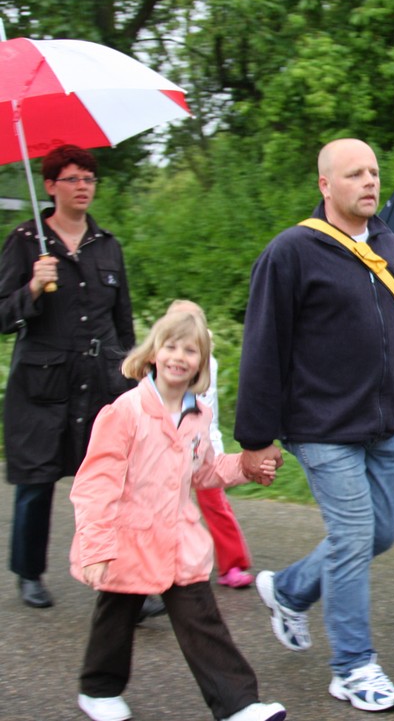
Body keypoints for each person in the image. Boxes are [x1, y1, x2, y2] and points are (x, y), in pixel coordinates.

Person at [235, 138, 394, 713]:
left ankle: (289, 591)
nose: (369, 182)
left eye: (374, 172)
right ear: (325, 184)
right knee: (356, 536)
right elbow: (263, 347)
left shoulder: (391, 248)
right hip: (319, 428)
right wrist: (255, 439)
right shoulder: (292, 252)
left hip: (381, 427)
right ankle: (353, 667)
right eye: (355, 173)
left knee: (378, 534)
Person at [70, 307, 285, 721]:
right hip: (126, 539)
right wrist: (96, 548)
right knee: (116, 615)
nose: (179, 357)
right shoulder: (125, 411)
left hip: (177, 540)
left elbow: (203, 472)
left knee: (201, 619)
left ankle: (240, 705)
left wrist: (246, 466)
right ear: (154, 352)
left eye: (190, 350)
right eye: (171, 347)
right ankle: (98, 690)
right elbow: (96, 484)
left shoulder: (199, 416)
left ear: (202, 362)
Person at [0, 144, 135, 609]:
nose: (83, 187)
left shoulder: (108, 245)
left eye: (89, 179)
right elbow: (3, 315)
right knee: (36, 482)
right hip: (42, 383)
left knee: (106, 483)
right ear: (50, 185)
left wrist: (132, 379)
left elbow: (122, 321)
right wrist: (33, 287)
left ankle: (121, 576)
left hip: (100, 380)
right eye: (73, 178)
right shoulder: (25, 241)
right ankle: (29, 573)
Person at [170, 299, 255, 589]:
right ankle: (167, 563)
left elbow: (205, 410)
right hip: (168, 451)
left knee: (215, 504)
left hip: (204, 447)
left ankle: (232, 564)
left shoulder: (208, 363)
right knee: (170, 508)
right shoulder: (159, 364)